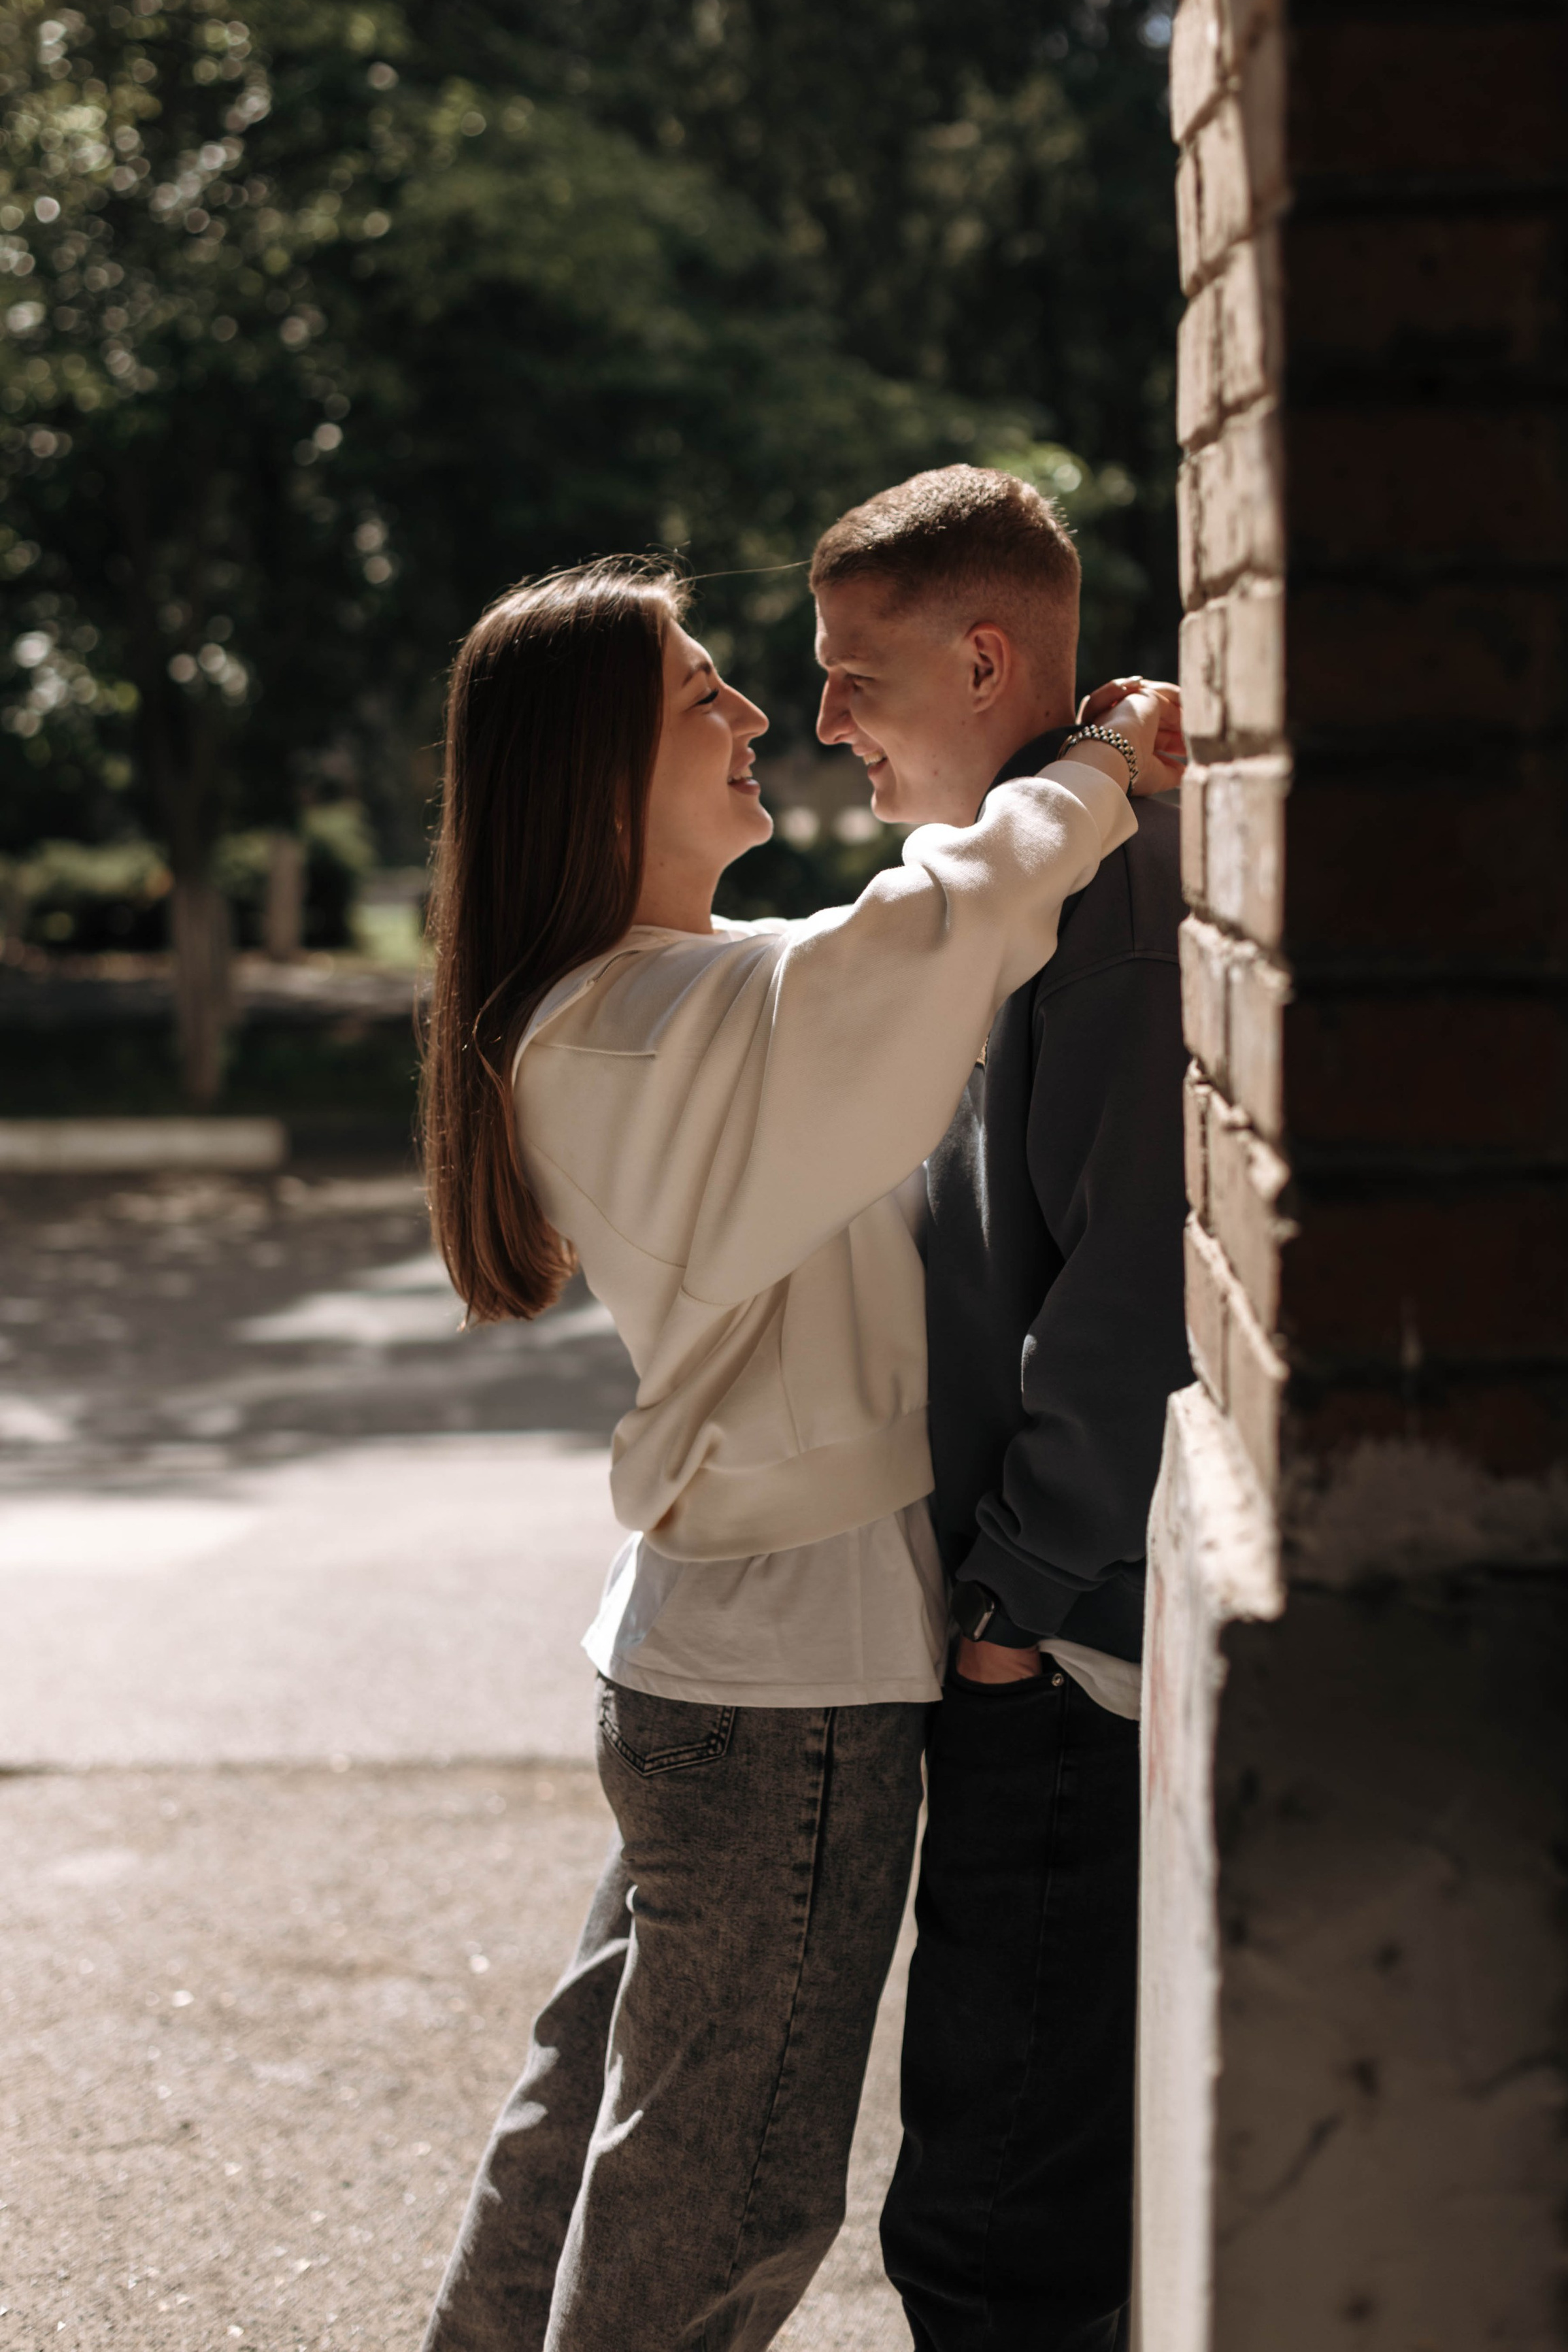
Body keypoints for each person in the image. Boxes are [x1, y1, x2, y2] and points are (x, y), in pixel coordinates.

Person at [416, 553, 1181, 2352]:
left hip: (716, 1661)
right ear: (599, 775)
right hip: (786, 1701)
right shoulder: (654, 1033)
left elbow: (847, 975)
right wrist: (1098, 776)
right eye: (702, 696)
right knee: (728, 2195)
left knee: (589, 2135)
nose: (757, 712)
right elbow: (919, 944)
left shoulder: (639, 998)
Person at [810, 465, 1192, 2352]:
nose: (823, 722)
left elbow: (1138, 1279)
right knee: (1002, 2188)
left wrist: (1012, 1616)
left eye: (852, 677)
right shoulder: (1019, 882)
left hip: (1059, 1667)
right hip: (1028, 1643)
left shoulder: (1106, 897)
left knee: (994, 2222)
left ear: (980, 658)